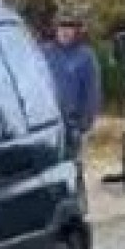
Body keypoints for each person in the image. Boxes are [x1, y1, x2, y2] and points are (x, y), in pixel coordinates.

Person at [44, 11, 101, 153]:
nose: (65, 31)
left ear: (76, 31)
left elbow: (92, 92)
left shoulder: (86, 56)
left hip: (73, 124)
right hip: (47, 123)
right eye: (62, 26)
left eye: (69, 27)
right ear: (56, 29)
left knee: (73, 165)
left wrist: (86, 124)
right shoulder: (45, 52)